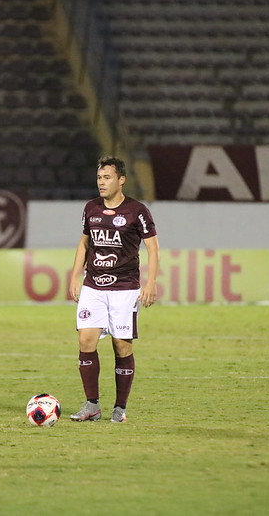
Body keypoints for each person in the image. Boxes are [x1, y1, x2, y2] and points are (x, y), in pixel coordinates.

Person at [68, 155, 160, 423]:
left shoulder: (137, 211)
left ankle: (119, 408)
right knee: (86, 340)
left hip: (125, 288)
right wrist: (75, 275)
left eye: (107, 177)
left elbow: (152, 248)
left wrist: (151, 281)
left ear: (121, 180)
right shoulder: (91, 208)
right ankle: (91, 405)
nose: (101, 182)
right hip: (93, 285)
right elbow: (84, 243)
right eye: (99, 178)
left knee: (122, 346)